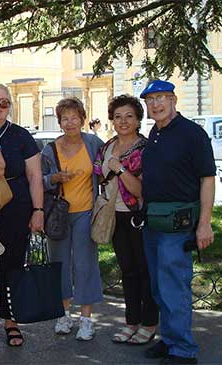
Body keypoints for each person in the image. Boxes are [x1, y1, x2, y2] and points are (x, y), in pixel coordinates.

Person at [139, 80, 215, 365]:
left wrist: (204, 224)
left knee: (174, 287)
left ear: (173, 100)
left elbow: (207, 178)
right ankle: (170, 339)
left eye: (161, 98)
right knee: (160, 286)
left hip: (179, 224)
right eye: (150, 100)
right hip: (153, 222)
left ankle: (183, 350)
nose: (156, 104)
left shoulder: (192, 134)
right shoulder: (155, 134)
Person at [0, 83, 44, 347]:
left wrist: (38, 211)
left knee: (13, 264)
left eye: (4, 102)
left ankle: (10, 320)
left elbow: (35, 176)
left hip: (16, 205)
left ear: (10, 106)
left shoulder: (21, 136)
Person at [92, 95, 158, 345]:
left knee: (145, 271)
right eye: (118, 116)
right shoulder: (106, 146)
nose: (123, 121)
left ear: (138, 119)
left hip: (137, 216)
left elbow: (141, 190)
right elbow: (99, 176)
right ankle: (131, 321)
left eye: (129, 116)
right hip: (114, 216)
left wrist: (119, 169)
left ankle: (149, 322)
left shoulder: (145, 149)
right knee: (128, 271)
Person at [41, 97, 104, 341]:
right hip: (58, 215)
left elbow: (106, 169)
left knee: (85, 264)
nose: (69, 123)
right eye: (64, 118)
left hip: (86, 211)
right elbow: (40, 180)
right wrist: (54, 179)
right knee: (60, 264)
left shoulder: (93, 143)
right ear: (59, 122)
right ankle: (63, 314)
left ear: (82, 119)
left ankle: (86, 319)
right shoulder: (50, 149)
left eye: (74, 118)